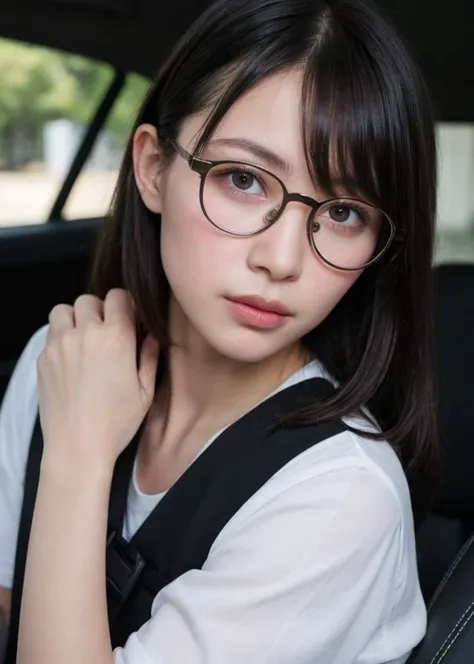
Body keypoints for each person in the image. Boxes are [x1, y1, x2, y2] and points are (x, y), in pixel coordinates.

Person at [0, 0, 439, 662]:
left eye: (344, 212)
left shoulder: (339, 499)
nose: (282, 259)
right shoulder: (61, 361)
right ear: (152, 168)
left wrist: (78, 456)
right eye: (243, 179)